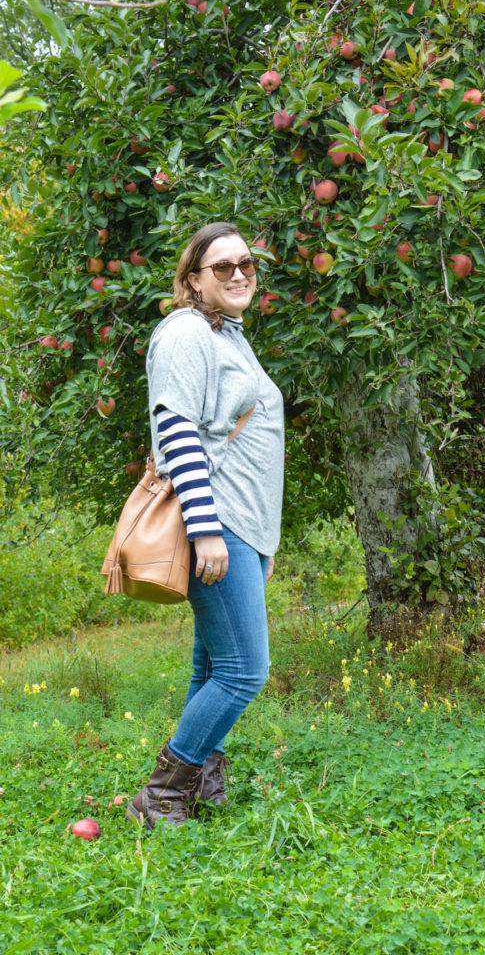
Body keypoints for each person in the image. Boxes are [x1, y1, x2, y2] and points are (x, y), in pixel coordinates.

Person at [126, 221, 285, 830]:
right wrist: (208, 528)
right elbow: (177, 432)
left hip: (242, 525)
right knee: (246, 670)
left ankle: (200, 780)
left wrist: (260, 539)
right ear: (193, 281)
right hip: (216, 520)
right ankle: (163, 793)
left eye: (245, 263)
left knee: (215, 666)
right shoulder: (186, 334)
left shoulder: (227, 335)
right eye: (222, 268)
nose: (239, 273)